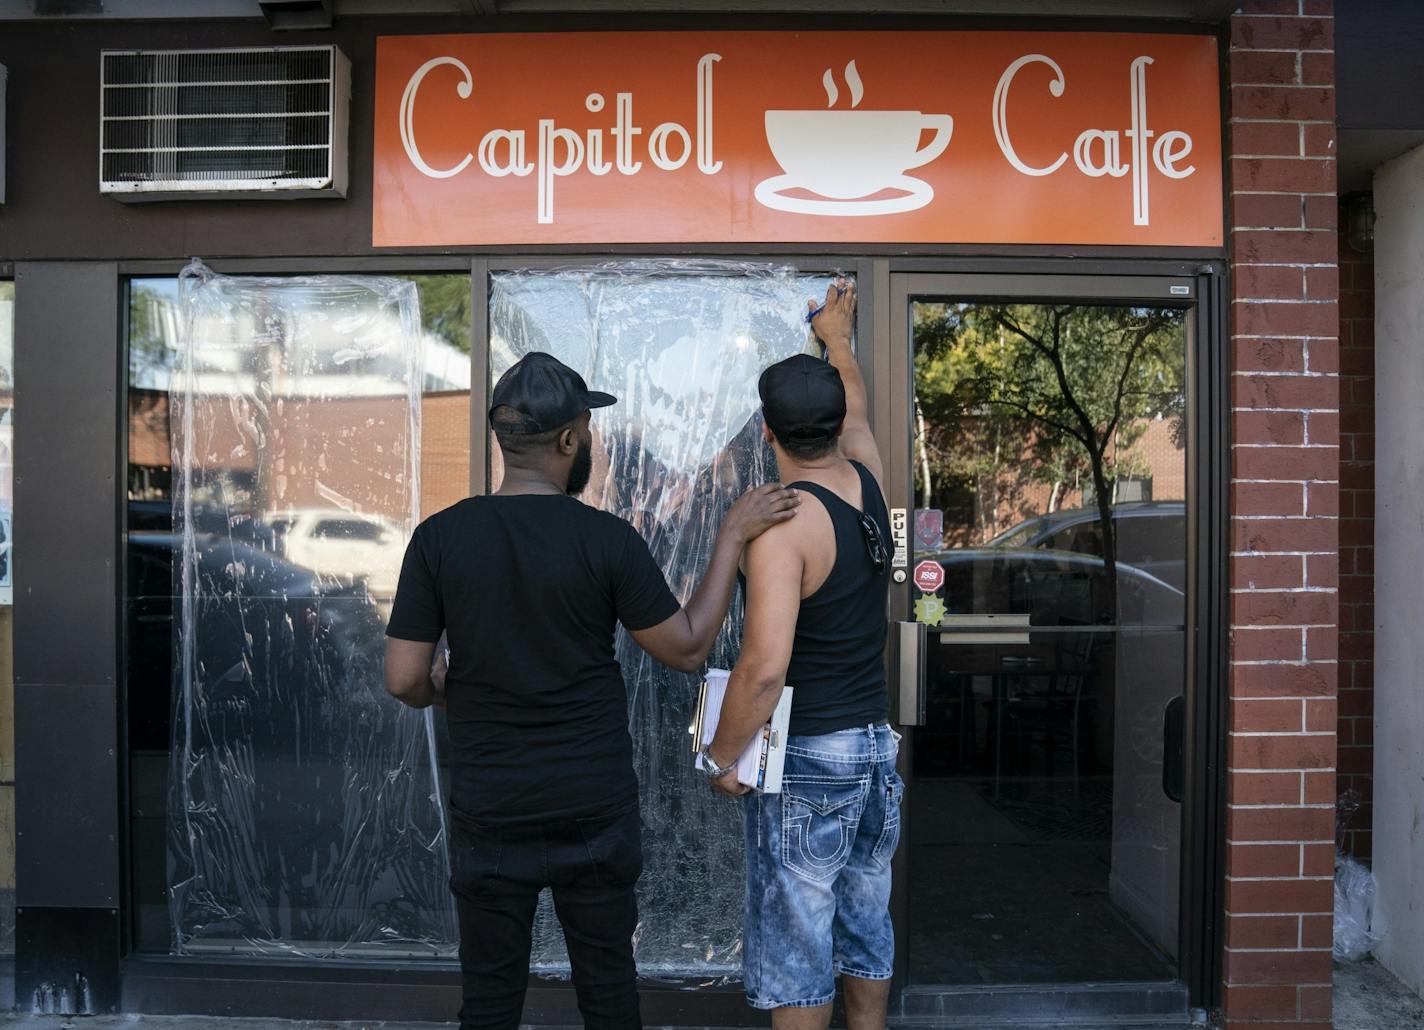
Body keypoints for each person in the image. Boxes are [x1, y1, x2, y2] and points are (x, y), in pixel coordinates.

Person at [383, 351, 800, 1030]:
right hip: (592, 808)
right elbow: (689, 646)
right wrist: (731, 536)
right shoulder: (606, 540)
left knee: (488, 1000)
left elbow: (403, 677)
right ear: (570, 440)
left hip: (491, 808)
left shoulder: (439, 538)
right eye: (589, 430)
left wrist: (443, 690)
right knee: (609, 992)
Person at [700, 282, 901, 1030]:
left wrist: (722, 757)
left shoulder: (784, 527)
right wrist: (837, 340)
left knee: (797, 951)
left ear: (766, 432)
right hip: (876, 753)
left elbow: (763, 668)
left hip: (813, 759)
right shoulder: (869, 482)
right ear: (835, 427)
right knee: (864, 929)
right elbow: (859, 410)